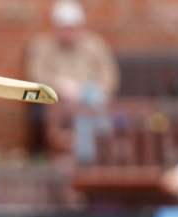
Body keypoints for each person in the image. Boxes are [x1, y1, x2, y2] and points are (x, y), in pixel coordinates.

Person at [26, 0, 120, 165]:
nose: (68, 33)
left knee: (90, 101)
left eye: (72, 28)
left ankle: (84, 154)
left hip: (90, 97)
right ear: (56, 27)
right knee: (83, 109)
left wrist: (97, 90)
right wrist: (59, 86)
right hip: (58, 100)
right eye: (64, 28)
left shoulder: (94, 44)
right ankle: (94, 147)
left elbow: (109, 75)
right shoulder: (42, 46)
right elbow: (35, 74)